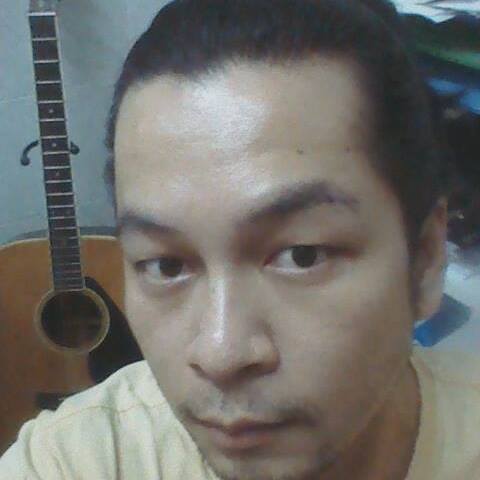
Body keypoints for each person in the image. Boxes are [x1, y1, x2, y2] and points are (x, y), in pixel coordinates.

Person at [2, 0, 480, 479]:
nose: (220, 354)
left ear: (425, 259)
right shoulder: (69, 461)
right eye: (167, 266)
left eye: (302, 256)